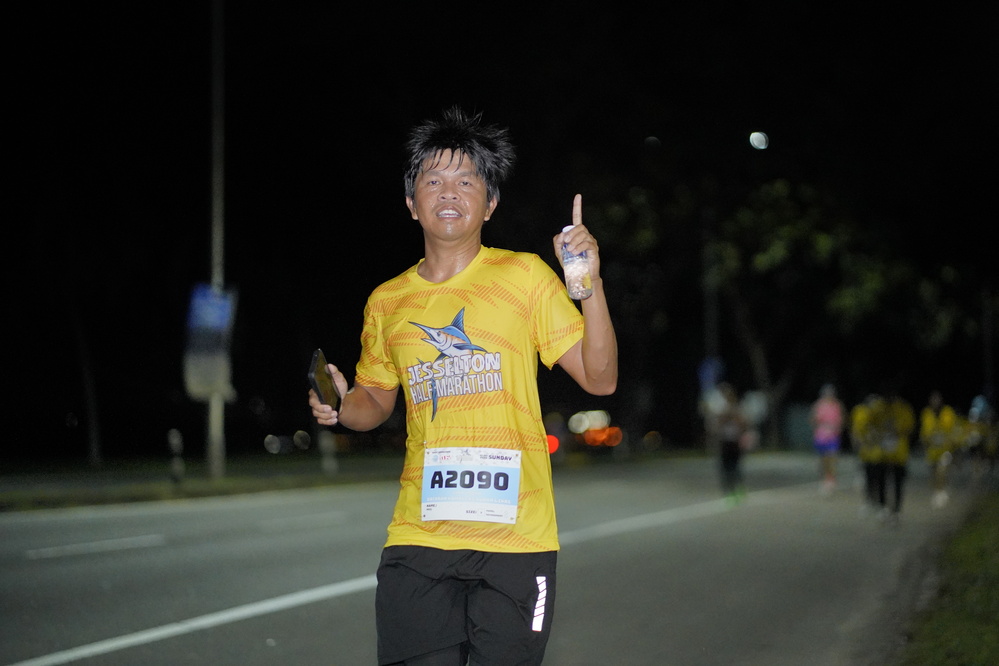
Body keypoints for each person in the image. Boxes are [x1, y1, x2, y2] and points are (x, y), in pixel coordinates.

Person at [309, 107, 618, 666]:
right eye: (433, 180)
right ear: (412, 202)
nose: (449, 192)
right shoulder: (387, 301)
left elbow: (601, 378)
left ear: (490, 203)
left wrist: (587, 283)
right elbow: (374, 400)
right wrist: (339, 405)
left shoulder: (524, 277)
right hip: (419, 536)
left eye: (467, 181)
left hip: (516, 537)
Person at [707, 382, 749, 504]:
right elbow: (716, 425)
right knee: (725, 468)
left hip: (734, 441)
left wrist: (734, 416)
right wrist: (725, 416)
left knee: (735, 467)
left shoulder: (738, 408)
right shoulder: (720, 408)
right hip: (724, 442)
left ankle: (739, 488)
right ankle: (729, 492)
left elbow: (744, 424)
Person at [919, 390, 958, 508]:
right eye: (933, 399)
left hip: (945, 449)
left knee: (942, 470)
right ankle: (937, 491)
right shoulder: (926, 413)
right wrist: (925, 443)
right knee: (934, 472)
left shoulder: (948, 412)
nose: (935, 402)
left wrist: (953, 445)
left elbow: (953, 429)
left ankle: (941, 491)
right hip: (932, 450)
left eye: (937, 399)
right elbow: (924, 431)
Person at [881, 392, 915, 523]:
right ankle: (884, 507)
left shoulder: (904, 410)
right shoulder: (880, 409)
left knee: (898, 482)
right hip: (883, 453)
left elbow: (909, 428)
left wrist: (897, 430)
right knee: (883, 481)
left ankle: (897, 509)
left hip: (899, 453)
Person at [810, 384, 845, 495]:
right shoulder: (818, 405)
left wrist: (837, 429)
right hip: (821, 436)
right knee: (823, 460)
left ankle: (831, 480)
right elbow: (813, 419)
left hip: (833, 437)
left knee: (832, 458)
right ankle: (825, 479)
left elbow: (841, 420)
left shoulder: (837, 405)